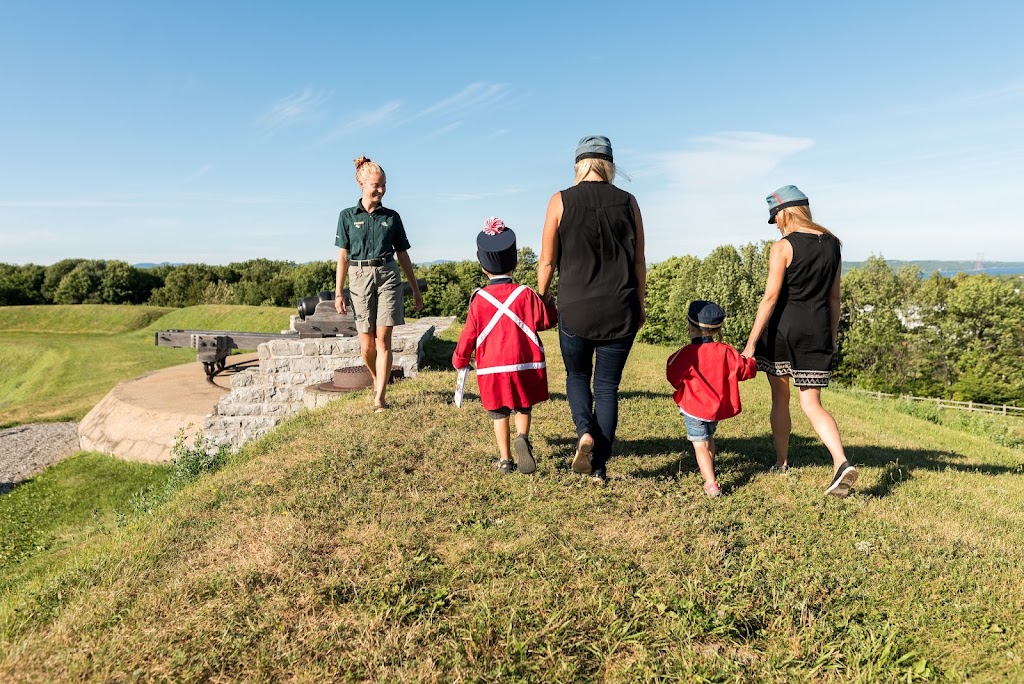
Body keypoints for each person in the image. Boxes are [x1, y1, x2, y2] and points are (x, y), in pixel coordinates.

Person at [537, 136, 646, 484]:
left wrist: (544, 297)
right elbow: (639, 260)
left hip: (575, 306)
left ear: (579, 164)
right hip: (620, 305)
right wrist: (640, 303)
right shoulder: (629, 202)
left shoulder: (560, 200)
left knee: (577, 376)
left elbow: (547, 260)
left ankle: (585, 431)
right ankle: (599, 467)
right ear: (609, 165)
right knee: (607, 388)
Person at [741, 185, 857, 497]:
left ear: (784, 213)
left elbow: (770, 298)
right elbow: (835, 299)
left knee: (780, 398)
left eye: (776, 217)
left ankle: (781, 462)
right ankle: (841, 461)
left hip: (783, 328)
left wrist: (751, 344)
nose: (777, 223)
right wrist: (830, 336)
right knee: (812, 403)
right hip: (817, 329)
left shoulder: (782, 247)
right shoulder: (833, 244)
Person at [453, 217, 557, 474]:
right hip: (525, 364)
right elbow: (545, 321)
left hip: (492, 369)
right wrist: (550, 303)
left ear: (482, 266)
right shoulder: (525, 293)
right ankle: (522, 437)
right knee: (523, 404)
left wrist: (460, 360)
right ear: (515, 261)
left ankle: (505, 459)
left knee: (498, 412)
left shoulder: (478, 299)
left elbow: (469, 335)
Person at [335, 156, 422, 412]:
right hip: (359, 278)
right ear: (361, 183)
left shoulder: (392, 217)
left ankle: (379, 398)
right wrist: (339, 292)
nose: (381, 190)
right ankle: (376, 376)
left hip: (388, 276)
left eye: (383, 185)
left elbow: (403, 255)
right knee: (367, 346)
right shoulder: (347, 216)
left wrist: (415, 289)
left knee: (383, 339)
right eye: (376, 185)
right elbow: (342, 256)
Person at [667, 301, 758, 497]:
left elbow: (672, 374)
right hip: (716, 410)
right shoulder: (727, 351)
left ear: (691, 328)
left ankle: (711, 483)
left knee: (699, 444)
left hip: (693, 408)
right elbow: (744, 370)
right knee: (708, 437)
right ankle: (710, 466)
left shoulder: (686, 353)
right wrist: (751, 362)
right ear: (717, 330)